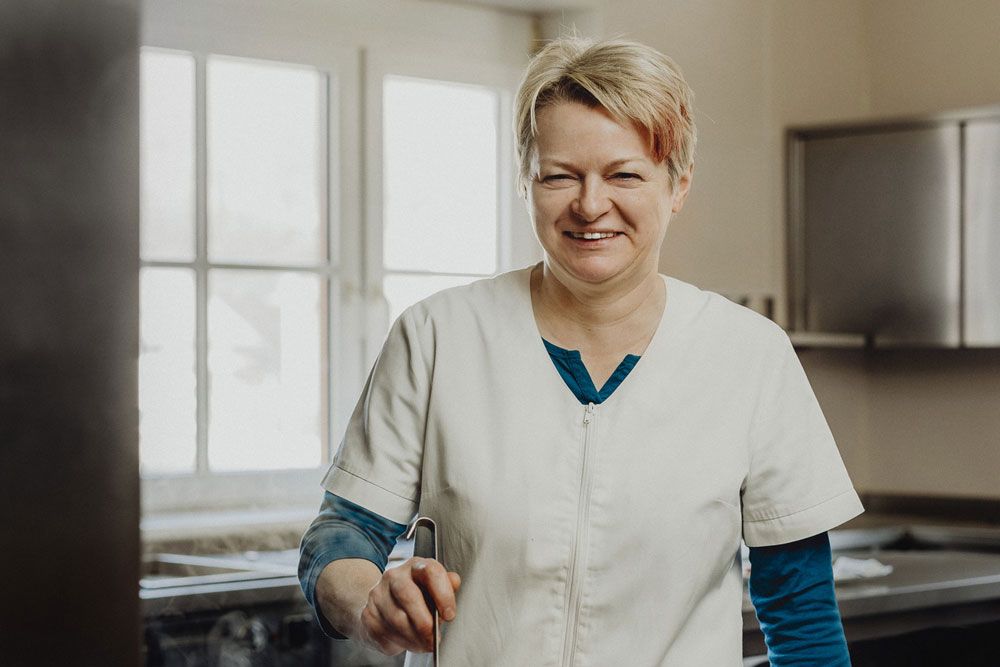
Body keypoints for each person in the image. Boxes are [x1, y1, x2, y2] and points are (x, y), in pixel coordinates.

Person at [299, 36, 863, 666]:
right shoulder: (437, 336)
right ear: (525, 182)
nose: (591, 205)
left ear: (677, 184)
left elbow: (801, 613)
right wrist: (370, 598)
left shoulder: (751, 356)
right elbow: (338, 537)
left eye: (624, 174)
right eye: (560, 175)